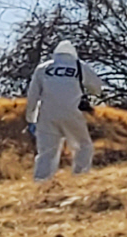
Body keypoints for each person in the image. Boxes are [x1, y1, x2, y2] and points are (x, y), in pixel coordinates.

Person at [25, 40, 105, 181]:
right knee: (84, 146)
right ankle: (80, 178)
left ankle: (40, 184)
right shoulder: (79, 67)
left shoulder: (43, 68)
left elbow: (33, 95)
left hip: (47, 115)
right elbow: (98, 88)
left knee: (46, 153)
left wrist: (30, 118)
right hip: (72, 114)